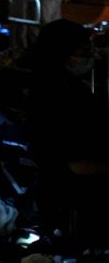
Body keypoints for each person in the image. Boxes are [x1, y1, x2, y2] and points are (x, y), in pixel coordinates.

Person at [21, 19, 109, 252]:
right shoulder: (59, 98)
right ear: (62, 54)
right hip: (74, 193)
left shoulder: (48, 85)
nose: (90, 56)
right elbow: (70, 163)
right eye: (83, 51)